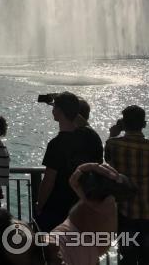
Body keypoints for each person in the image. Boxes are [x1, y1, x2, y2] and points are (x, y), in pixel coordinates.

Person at [0, 162, 121, 265]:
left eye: (38, 235)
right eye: (37, 254)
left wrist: (96, 196)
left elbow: (88, 235)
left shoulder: (53, 250)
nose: (53, 244)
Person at [35, 91, 102, 232]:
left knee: (52, 250)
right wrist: (67, 106)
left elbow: (48, 181)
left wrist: (39, 206)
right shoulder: (92, 137)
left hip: (57, 210)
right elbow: (83, 123)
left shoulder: (56, 144)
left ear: (57, 111)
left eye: (55, 108)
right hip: (83, 207)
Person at [105, 105, 149, 265]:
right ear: (144, 124)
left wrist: (113, 133)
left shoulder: (113, 144)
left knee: (128, 257)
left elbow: (108, 165)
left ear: (123, 124)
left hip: (125, 212)